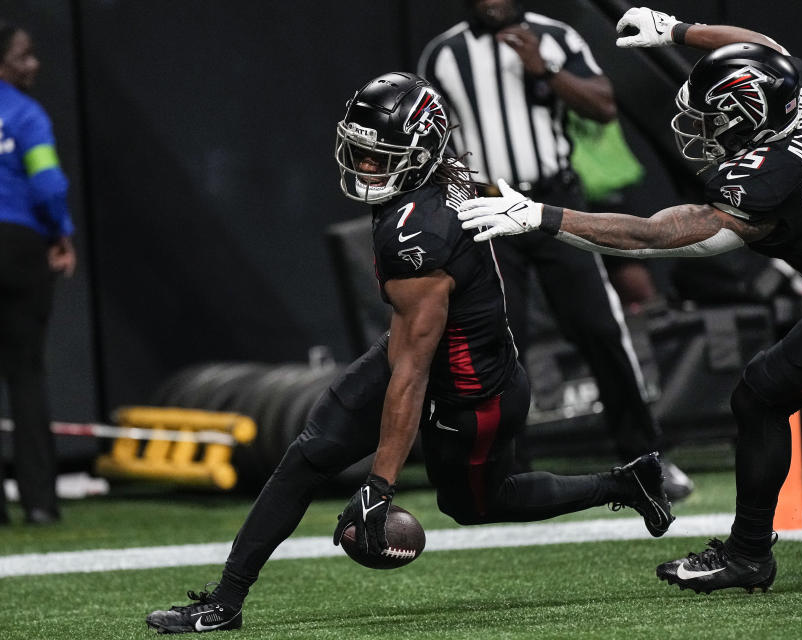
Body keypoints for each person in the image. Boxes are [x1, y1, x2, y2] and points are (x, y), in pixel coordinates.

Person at [144, 71, 673, 634]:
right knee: (310, 452)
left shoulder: (416, 234)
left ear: (420, 153)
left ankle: (623, 482)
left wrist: (379, 484)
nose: (364, 166)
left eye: (381, 157)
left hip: (473, 388)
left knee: (475, 506)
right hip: (423, 348)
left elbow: (415, 372)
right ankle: (225, 601)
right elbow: (411, 350)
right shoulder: (433, 179)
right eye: (361, 151)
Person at [458, 6, 802, 594]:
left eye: (712, 119)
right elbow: (761, 41)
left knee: (760, 396)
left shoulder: (767, 177)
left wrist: (541, 216)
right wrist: (676, 32)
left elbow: (656, 236)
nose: (701, 132)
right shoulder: (799, 90)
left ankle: (748, 554)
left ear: (747, 118)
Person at [417, 0, 693, 501]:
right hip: (484, 207)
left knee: (600, 328)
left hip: (551, 200)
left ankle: (647, 457)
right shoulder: (443, 54)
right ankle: (506, 468)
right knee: (498, 339)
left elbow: (604, 104)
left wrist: (544, 70)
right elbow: (431, 139)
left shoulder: (556, 37)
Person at [0, 22, 76, 526]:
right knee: (25, 374)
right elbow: (48, 185)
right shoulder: (26, 115)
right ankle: (40, 504)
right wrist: (61, 234)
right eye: (24, 55)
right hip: (20, 246)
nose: (35, 64)